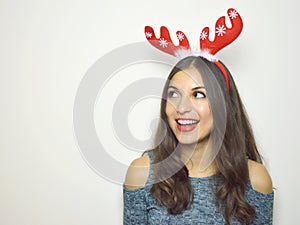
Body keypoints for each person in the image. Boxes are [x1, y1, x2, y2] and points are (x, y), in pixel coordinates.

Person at [123, 56, 274, 224]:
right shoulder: (142, 174)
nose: (182, 108)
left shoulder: (256, 180)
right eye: (173, 94)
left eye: (198, 94)